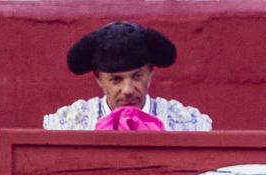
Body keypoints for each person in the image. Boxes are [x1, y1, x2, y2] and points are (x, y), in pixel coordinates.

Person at [43, 21, 209, 131]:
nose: (128, 90)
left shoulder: (188, 123)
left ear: (150, 72)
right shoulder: (69, 124)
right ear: (98, 79)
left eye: (137, 76)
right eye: (116, 80)